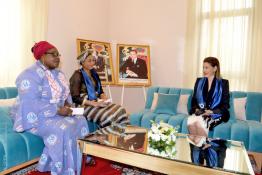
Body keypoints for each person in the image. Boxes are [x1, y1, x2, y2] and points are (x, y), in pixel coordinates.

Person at [11, 41, 89, 175]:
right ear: (42, 56)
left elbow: (65, 96)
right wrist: (57, 110)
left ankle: (78, 161)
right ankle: (61, 169)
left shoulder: (59, 74)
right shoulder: (29, 75)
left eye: (58, 54)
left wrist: (67, 105)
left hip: (55, 114)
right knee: (62, 128)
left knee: (81, 120)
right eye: (53, 54)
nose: (57, 57)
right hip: (34, 117)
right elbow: (30, 103)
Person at [69, 50, 129, 129]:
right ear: (82, 62)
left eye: (93, 60)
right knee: (108, 116)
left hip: (96, 102)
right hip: (82, 106)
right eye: (89, 61)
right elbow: (75, 98)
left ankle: (120, 135)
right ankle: (106, 137)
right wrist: (94, 104)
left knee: (121, 110)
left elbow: (100, 91)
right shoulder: (77, 75)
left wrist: (105, 99)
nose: (92, 63)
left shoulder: (94, 73)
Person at [187, 57, 230, 146]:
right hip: (201, 112)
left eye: (207, 67)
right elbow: (194, 101)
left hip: (216, 113)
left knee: (202, 122)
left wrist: (211, 111)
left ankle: (202, 147)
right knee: (191, 121)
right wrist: (197, 110)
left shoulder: (223, 83)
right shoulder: (199, 81)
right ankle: (198, 147)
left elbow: (225, 105)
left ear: (215, 68)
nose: (204, 70)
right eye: (203, 67)